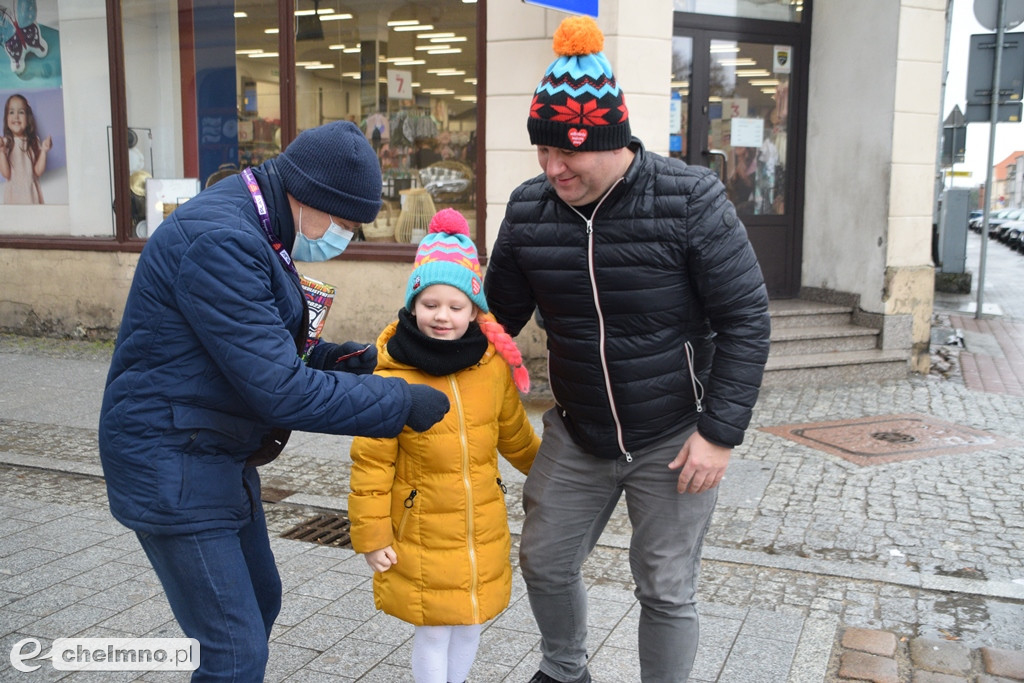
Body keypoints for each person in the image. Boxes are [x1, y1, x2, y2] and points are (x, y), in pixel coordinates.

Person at [98, 120, 452, 681]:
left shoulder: (257, 228)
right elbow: (281, 391)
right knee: (234, 650)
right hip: (170, 460)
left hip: (212, 451)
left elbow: (264, 349)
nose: (344, 239)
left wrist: (352, 360)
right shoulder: (222, 241)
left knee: (261, 600)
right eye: (345, 225)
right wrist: (399, 403)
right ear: (311, 198)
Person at [483, 16, 771, 683]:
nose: (552, 168)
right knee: (544, 560)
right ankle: (564, 670)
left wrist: (719, 434)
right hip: (579, 429)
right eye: (541, 151)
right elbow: (496, 319)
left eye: (567, 153)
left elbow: (746, 319)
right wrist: (423, 329)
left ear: (612, 141)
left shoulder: (689, 199)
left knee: (664, 586)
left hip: (674, 434)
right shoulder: (529, 211)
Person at [348, 208, 540, 683]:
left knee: (472, 621)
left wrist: (557, 474)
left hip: (480, 526)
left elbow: (515, 436)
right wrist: (372, 537)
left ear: (475, 311)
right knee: (434, 630)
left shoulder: (491, 367)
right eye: (430, 303)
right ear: (413, 304)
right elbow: (371, 464)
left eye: (456, 306)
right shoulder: (391, 372)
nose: (442, 315)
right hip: (421, 531)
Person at [1, 93, 51, 204]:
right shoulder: (5, 143)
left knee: (33, 215)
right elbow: (6, 174)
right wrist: (2, 152)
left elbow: (37, 172)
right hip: (13, 195)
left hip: (30, 193)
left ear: (28, 119)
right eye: (11, 112)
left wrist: (43, 151)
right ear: (6, 118)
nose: (16, 117)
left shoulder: (33, 141)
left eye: (21, 112)